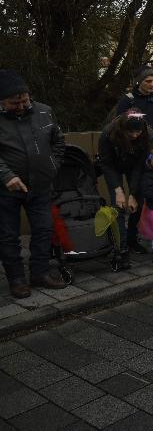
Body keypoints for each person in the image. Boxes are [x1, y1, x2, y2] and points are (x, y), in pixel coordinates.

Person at [0, 69, 67, 298]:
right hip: (7, 189)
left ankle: (40, 272)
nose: (20, 106)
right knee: (8, 235)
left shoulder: (44, 112)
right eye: (13, 103)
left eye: (24, 101)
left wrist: (53, 166)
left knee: (43, 229)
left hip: (40, 184)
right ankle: (16, 279)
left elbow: (58, 141)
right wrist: (7, 175)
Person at [98, 108, 153, 262]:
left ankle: (132, 239)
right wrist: (118, 190)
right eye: (131, 132)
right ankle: (120, 247)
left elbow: (139, 166)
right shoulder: (108, 134)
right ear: (123, 129)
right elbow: (106, 163)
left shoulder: (147, 134)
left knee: (138, 203)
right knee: (119, 205)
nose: (135, 135)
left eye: (138, 132)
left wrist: (133, 194)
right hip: (113, 166)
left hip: (134, 165)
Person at [115, 65, 153, 147]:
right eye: (148, 81)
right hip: (135, 147)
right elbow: (119, 125)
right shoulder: (128, 100)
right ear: (139, 81)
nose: (152, 84)